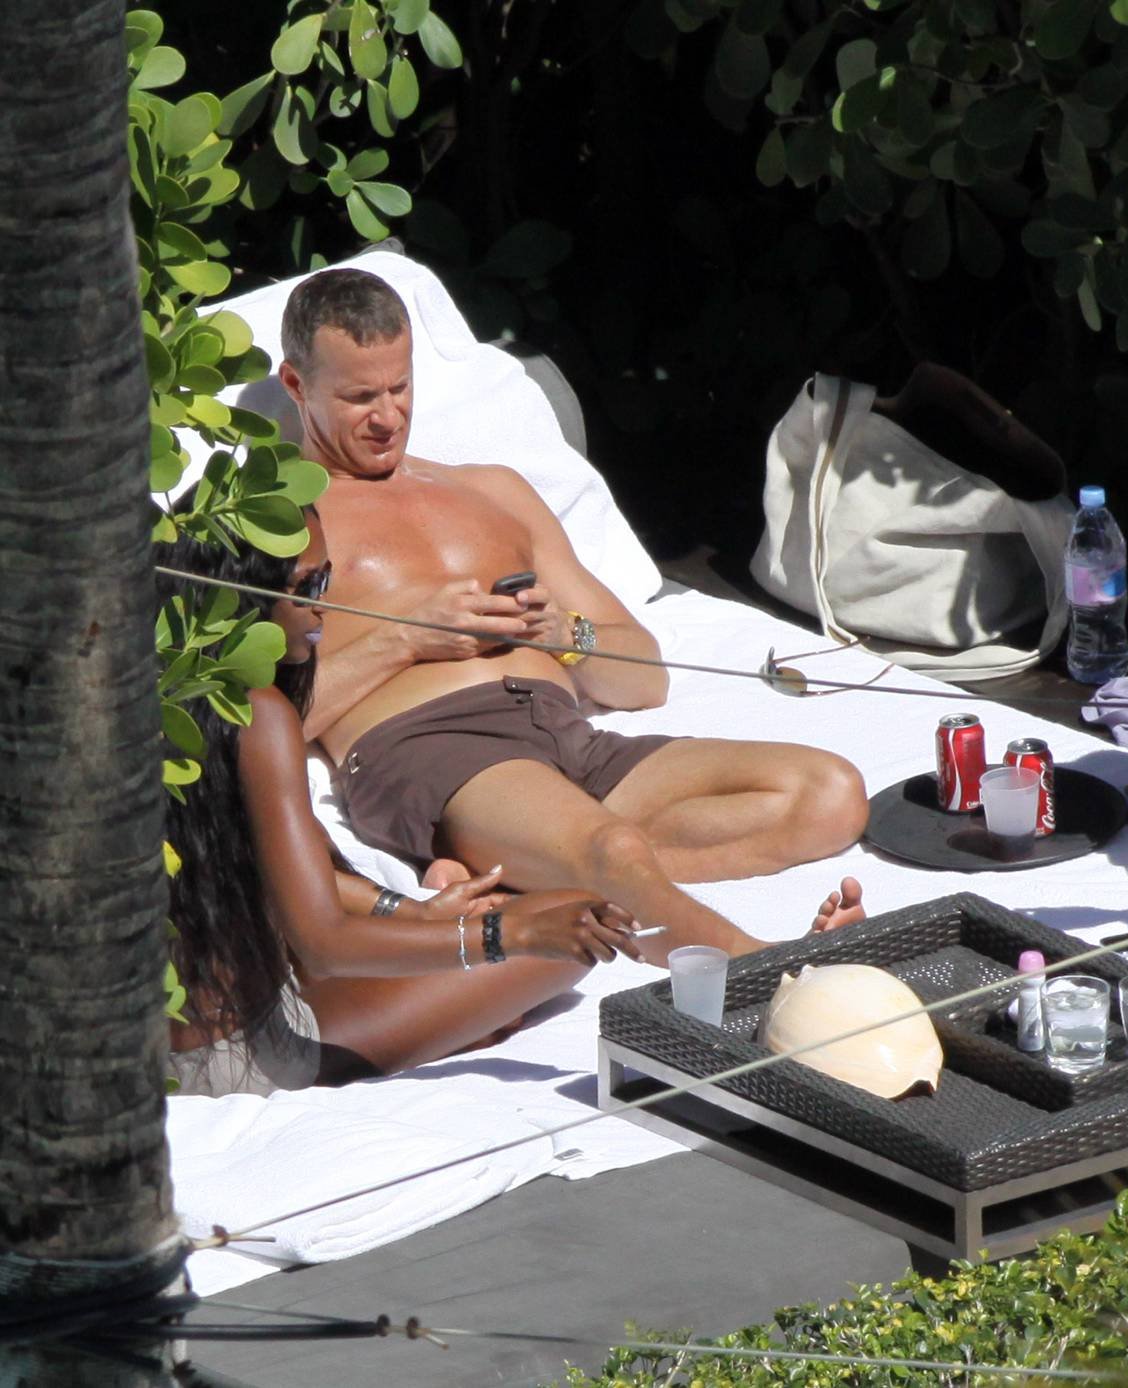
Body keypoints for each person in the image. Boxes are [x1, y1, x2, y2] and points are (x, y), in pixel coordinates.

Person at [277, 267, 868, 961]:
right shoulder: (283, 522)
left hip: (566, 739)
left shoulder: (492, 492)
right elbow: (252, 730)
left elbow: (645, 677)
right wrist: (407, 638)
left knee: (829, 794)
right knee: (611, 847)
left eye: (400, 388)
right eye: (359, 397)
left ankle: (534, 870)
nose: (387, 417)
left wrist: (565, 636)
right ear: (296, 386)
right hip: (434, 750)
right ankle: (770, 971)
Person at [159, 511, 642, 1097]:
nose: (324, 606)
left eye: (327, 579)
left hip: (164, 1029)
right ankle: (450, 1029)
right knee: (572, 926)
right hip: (239, 1052)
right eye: (307, 585)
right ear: (242, 592)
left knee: (547, 921)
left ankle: (449, 1014)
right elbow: (324, 945)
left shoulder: (173, 689)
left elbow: (260, 864)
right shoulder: (259, 715)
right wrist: (509, 937)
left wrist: (409, 914)